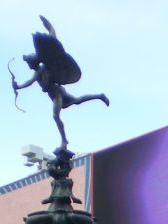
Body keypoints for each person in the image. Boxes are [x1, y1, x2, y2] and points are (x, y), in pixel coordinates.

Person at [11, 16, 109, 149]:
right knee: (78, 100)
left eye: (28, 63)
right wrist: (18, 86)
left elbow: (30, 81)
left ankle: (64, 141)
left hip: (57, 93)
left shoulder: (41, 69)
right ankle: (100, 96)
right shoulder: (40, 69)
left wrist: (18, 86)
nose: (28, 65)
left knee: (55, 116)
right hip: (57, 92)